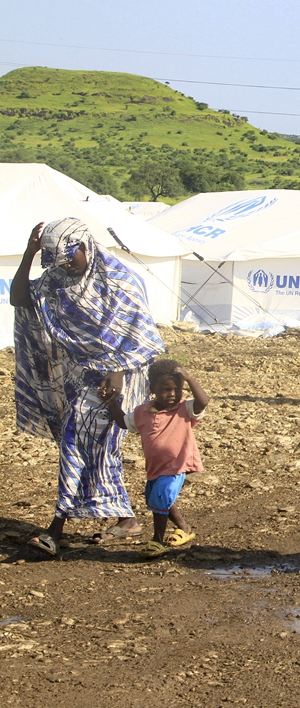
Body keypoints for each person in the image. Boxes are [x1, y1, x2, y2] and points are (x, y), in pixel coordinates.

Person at [12, 218, 164, 556]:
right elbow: (20, 299)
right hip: (77, 375)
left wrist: (118, 372)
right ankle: (126, 518)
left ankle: (56, 528)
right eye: (59, 261)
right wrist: (28, 254)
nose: (66, 266)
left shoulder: (120, 282)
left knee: (75, 441)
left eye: (70, 258)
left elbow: (141, 336)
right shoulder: (57, 281)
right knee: (96, 447)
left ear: (86, 246)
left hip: (120, 376)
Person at [106, 360, 208, 559]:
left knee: (161, 497)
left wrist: (189, 378)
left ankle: (158, 540)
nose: (172, 394)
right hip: (155, 467)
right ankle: (184, 528)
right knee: (158, 499)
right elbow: (122, 422)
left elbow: (203, 401)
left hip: (177, 464)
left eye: (176, 389)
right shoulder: (142, 412)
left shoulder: (184, 408)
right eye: (165, 390)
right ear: (152, 388)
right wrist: (111, 401)